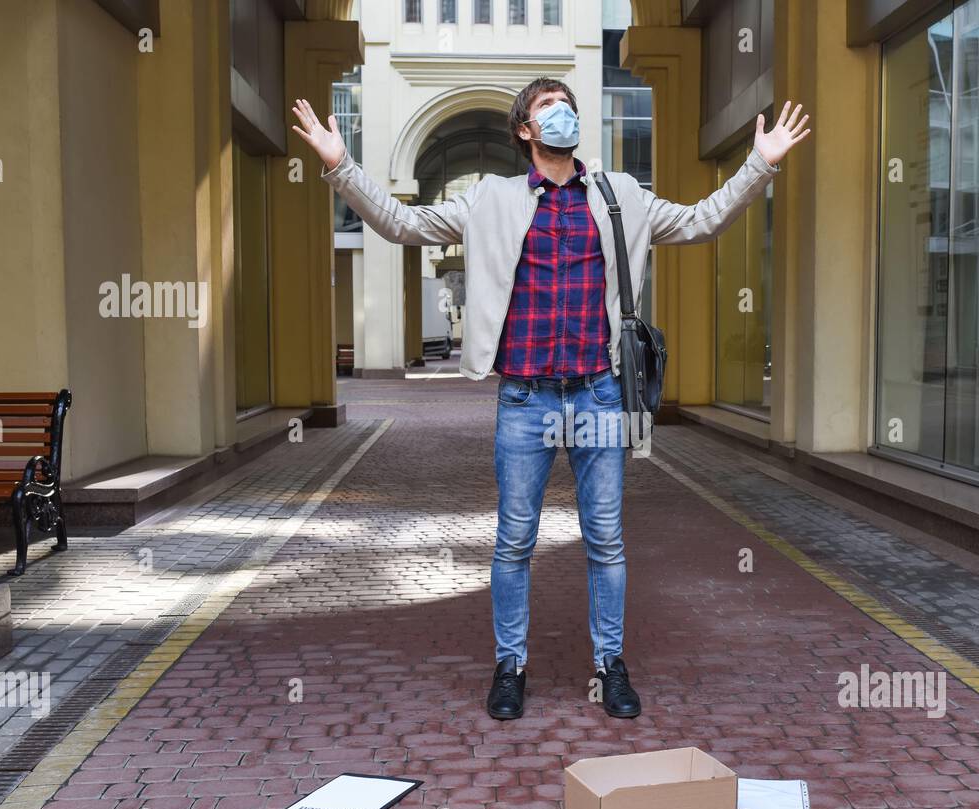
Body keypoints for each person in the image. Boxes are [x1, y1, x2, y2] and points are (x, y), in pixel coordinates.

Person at [292, 77, 809, 721]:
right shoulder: (489, 199)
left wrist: (761, 164)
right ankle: (510, 666)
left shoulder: (619, 194)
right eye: (546, 108)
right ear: (525, 132)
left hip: (599, 394)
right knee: (514, 540)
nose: (562, 113)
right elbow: (401, 223)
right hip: (525, 399)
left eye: (566, 104)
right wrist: (341, 166)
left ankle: (609, 665)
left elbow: (703, 220)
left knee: (606, 541)